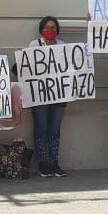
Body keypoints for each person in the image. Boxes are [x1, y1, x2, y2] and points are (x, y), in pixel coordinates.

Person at [29, 16, 67, 177]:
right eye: (47, 27)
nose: (50, 30)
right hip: (40, 95)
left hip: (58, 94)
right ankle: (43, 162)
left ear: (57, 30)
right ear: (41, 30)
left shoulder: (63, 46)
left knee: (55, 129)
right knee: (41, 128)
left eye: (53, 27)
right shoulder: (34, 45)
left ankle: (54, 162)